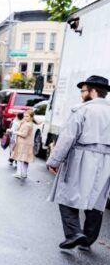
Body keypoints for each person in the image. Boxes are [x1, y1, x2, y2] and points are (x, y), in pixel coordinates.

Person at [46, 75, 110, 250]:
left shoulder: (83, 110)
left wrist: (54, 160)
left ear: (92, 91)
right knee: (97, 199)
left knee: (66, 194)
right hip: (106, 161)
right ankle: (87, 240)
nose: (81, 95)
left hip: (82, 156)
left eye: (83, 91)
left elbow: (68, 137)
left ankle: (74, 233)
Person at [11, 109, 35, 179]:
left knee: (20, 158)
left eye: (27, 116)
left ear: (31, 117)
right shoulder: (29, 123)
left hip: (24, 143)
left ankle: (19, 173)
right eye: (24, 116)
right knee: (25, 159)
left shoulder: (28, 125)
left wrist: (14, 132)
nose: (25, 118)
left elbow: (24, 134)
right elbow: (21, 121)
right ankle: (24, 173)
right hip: (27, 143)